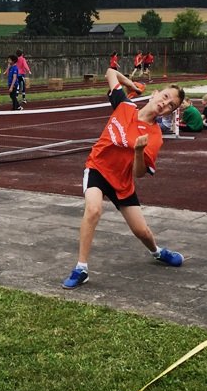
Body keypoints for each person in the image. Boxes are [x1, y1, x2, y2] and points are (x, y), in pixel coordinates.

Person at [62, 69, 186, 289]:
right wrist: (133, 84)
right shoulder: (124, 105)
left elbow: (139, 173)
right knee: (93, 210)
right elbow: (111, 72)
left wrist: (138, 151)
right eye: (165, 97)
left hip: (122, 182)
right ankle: (81, 268)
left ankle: (157, 252)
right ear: (156, 93)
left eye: (171, 106)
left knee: (142, 232)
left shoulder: (155, 137)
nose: (165, 104)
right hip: (98, 169)